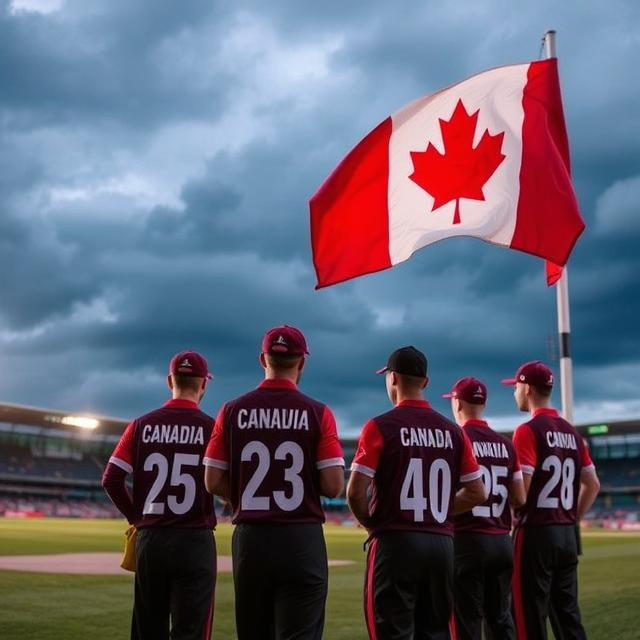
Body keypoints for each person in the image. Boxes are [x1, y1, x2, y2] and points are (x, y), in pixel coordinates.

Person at [203, 325, 345, 640]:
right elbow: (334, 485)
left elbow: (212, 480)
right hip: (300, 539)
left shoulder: (230, 410)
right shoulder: (319, 412)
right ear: (302, 363)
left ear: (262, 359)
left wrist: (247, 494)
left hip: (252, 540)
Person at [347, 346, 487, 640]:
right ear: (425, 382)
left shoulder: (379, 426)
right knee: (435, 632)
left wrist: (371, 523)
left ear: (393, 379)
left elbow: (355, 492)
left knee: (391, 631)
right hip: (441, 544)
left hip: (395, 542)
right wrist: (435, 509)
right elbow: (476, 492)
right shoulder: (454, 431)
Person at [102, 350, 217, 640]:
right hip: (194, 538)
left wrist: (137, 518)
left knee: (147, 629)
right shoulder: (212, 429)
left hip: (151, 538)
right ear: (204, 384)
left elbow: (112, 478)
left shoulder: (141, 425)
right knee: (190, 631)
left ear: (170, 381)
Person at [502, 360, 600, 640]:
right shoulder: (572, 433)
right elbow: (592, 484)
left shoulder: (527, 430)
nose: (514, 393)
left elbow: (522, 494)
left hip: (535, 533)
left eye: (516, 387)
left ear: (527, 388)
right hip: (567, 533)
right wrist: (572, 518)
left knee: (527, 616)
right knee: (568, 615)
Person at [443, 377, 525, 640]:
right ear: (484, 403)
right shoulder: (506, 444)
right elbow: (520, 498)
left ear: (457, 403)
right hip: (501, 541)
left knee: (467, 622)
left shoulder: (455, 437)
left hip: (466, 540)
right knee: (501, 619)